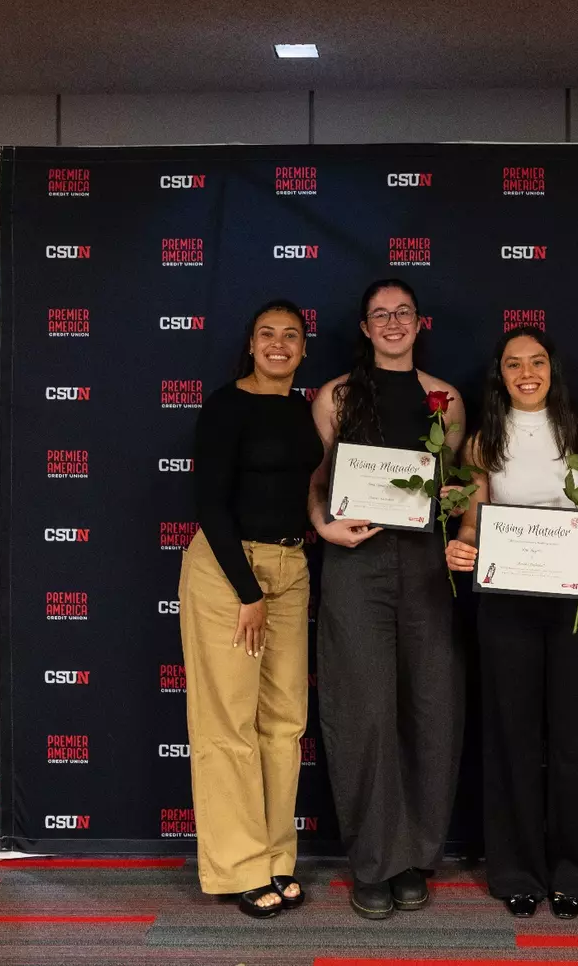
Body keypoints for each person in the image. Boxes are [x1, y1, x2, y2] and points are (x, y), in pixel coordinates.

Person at [307, 277, 467, 920]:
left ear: (420, 323)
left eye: (403, 312)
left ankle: (416, 856)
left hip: (427, 565)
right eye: (381, 314)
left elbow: (457, 484)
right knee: (364, 712)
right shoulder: (336, 396)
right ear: (365, 328)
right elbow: (318, 480)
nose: (393, 322)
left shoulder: (445, 398)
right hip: (356, 563)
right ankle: (374, 861)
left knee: (432, 708)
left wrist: (455, 502)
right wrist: (321, 526)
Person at [444, 327, 578, 920]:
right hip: (506, 600)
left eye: (536, 362)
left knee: (573, 740)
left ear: (552, 369)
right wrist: (462, 547)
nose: (526, 373)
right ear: (500, 374)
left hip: (573, 601)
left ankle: (574, 874)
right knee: (511, 737)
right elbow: (473, 522)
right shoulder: (483, 441)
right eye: (514, 364)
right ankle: (517, 872)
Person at [179, 299, 324, 919]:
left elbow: (306, 488)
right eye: (267, 333)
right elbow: (209, 504)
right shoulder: (225, 406)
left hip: (291, 568)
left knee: (285, 722)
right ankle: (238, 865)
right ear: (250, 344)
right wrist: (247, 592)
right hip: (229, 571)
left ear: (304, 349)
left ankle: (275, 856)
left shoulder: (301, 409)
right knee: (228, 722)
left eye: (291, 335)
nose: (278, 344)